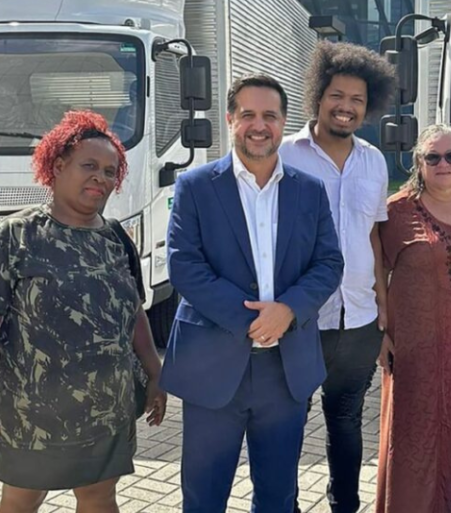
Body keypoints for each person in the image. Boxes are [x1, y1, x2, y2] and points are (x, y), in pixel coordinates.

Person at [0, 110, 167, 513]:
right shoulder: (16, 236)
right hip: (29, 413)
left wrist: (155, 373)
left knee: (99, 498)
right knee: (21, 500)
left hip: (106, 410)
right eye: (89, 165)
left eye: (110, 171)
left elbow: (134, 312)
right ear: (57, 166)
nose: (101, 178)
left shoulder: (116, 239)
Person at [160, 73, 344, 513]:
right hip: (212, 366)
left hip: (285, 371)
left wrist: (289, 310)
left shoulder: (309, 190)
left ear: (284, 122)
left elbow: (328, 263)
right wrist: (256, 321)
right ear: (230, 120)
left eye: (270, 116)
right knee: (203, 499)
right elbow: (184, 266)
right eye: (248, 115)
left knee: (278, 498)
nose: (259, 126)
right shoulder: (195, 186)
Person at [279, 40, 396, 513]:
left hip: (359, 320)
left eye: (357, 100)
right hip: (300, 318)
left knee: (346, 421)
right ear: (318, 96)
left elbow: (374, 237)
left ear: (369, 107)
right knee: (289, 420)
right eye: (337, 96)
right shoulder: (285, 156)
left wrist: (383, 305)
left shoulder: (374, 161)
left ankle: (344, 504)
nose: (346, 107)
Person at [376, 124, 451, 512]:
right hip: (416, 355)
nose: (443, 164)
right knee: (417, 443)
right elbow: (372, 272)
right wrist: (379, 331)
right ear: (419, 162)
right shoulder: (396, 211)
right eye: (432, 157)